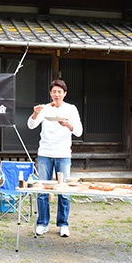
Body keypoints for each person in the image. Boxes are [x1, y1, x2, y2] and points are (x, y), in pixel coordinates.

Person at [27, 79, 83, 238]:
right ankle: (42, 223)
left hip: (63, 154)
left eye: (60, 92)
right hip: (44, 152)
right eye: (54, 92)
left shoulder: (71, 109)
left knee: (63, 191)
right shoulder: (44, 109)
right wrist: (36, 113)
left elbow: (79, 131)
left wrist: (68, 126)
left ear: (64, 94)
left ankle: (63, 224)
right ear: (51, 93)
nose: (57, 94)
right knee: (42, 189)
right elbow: (31, 125)